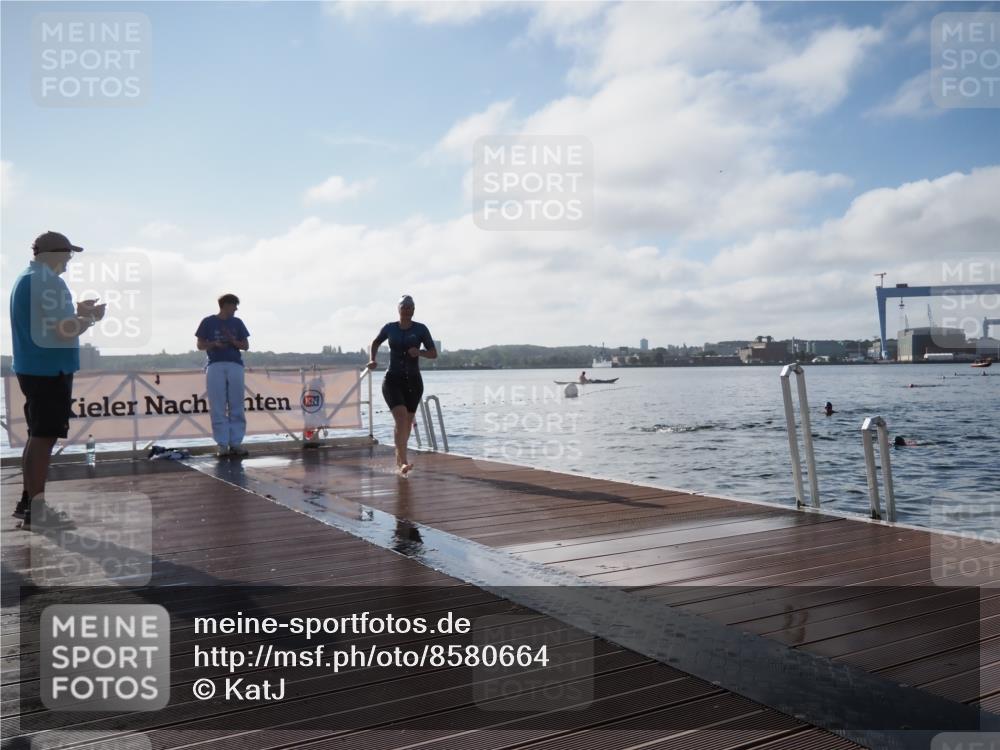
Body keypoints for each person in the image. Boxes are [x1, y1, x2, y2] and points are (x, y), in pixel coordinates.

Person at [10, 231, 106, 527]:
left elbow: (49, 322)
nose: (69, 261)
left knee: (37, 436)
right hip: (50, 370)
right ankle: (37, 512)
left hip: (33, 367)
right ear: (55, 254)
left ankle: (29, 503)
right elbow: (64, 331)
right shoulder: (50, 282)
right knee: (43, 438)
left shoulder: (26, 278)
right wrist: (91, 318)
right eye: (68, 254)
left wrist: (78, 312)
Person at [367, 295, 437, 476]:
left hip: (413, 382)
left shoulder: (421, 329)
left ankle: (399, 459)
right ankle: (403, 462)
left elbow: (433, 353)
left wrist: (419, 352)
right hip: (392, 380)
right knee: (400, 418)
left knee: (407, 422)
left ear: (414, 310)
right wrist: (372, 359)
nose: (407, 310)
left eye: (410, 307)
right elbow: (375, 342)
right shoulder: (390, 328)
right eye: (404, 307)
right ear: (398, 309)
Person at [195, 294, 250, 457]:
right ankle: (222, 444)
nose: (236, 309)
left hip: (235, 364)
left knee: (237, 404)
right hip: (215, 364)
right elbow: (200, 344)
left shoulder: (238, 322)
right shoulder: (208, 321)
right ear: (225, 305)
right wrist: (213, 344)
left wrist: (234, 342)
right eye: (234, 305)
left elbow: (245, 345)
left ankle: (236, 443)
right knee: (217, 405)